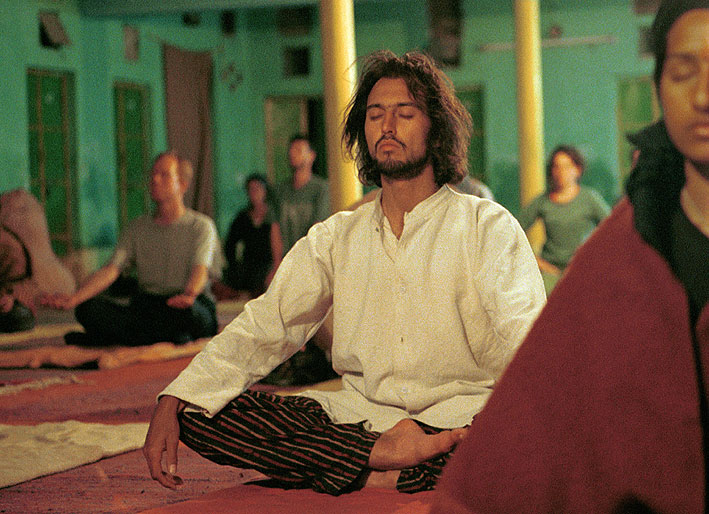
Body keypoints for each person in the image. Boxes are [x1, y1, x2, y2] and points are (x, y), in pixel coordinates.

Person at [143, 50, 545, 496]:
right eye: (375, 116)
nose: (387, 127)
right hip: (362, 418)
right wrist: (176, 394)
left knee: (523, 435)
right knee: (198, 412)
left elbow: (527, 344)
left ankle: (366, 466)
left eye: (404, 114)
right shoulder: (337, 236)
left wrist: (524, 423)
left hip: (459, 415)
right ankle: (382, 461)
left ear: (435, 131)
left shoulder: (485, 225)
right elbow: (268, 323)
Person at [431, 2, 709, 512]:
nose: (705, 96)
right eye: (683, 72)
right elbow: (536, 410)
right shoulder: (625, 250)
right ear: (658, 92)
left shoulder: (594, 207)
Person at [42, 153, 220, 347]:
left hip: (186, 304)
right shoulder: (136, 228)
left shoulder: (201, 226)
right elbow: (111, 270)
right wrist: (74, 299)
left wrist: (189, 295)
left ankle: (118, 339)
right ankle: (167, 338)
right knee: (88, 309)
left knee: (193, 316)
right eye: (152, 173)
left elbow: (200, 269)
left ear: (183, 185)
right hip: (150, 306)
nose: (154, 179)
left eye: (164, 175)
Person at [517, 145, 610, 292]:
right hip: (550, 273)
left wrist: (595, 258)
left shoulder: (590, 198)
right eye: (556, 167)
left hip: (582, 271)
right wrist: (538, 262)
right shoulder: (543, 201)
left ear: (577, 170)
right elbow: (514, 230)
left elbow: (613, 229)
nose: (561, 172)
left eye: (566, 166)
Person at [216, 174, 282, 299]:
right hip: (248, 266)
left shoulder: (273, 216)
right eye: (250, 189)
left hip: (267, 267)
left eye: (257, 188)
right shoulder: (243, 217)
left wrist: (275, 269)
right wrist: (234, 266)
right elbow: (230, 244)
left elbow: (277, 247)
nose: (254, 193)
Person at [273, 135, 330, 254]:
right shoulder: (280, 190)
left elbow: (318, 227)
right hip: (286, 259)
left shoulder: (321, 189)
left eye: (298, 150)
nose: (292, 154)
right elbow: (275, 228)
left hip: (310, 257)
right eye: (291, 150)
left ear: (311, 156)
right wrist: (278, 263)